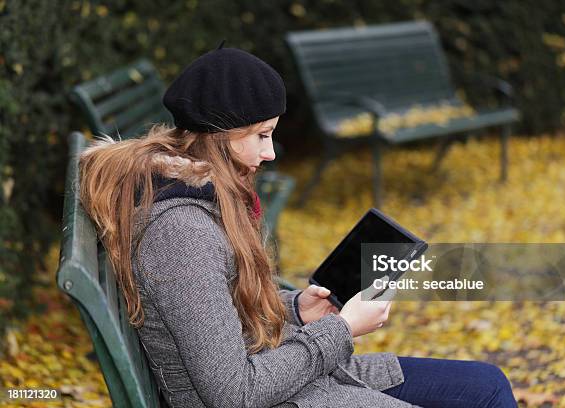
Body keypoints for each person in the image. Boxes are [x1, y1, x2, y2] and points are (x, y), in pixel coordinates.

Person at [78, 44, 517, 407]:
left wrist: (296, 309)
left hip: (292, 375)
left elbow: (215, 320)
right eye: (261, 135)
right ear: (218, 134)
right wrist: (341, 330)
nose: (270, 153)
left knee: (488, 386)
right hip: (276, 393)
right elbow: (235, 393)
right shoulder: (181, 234)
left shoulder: (204, 197)